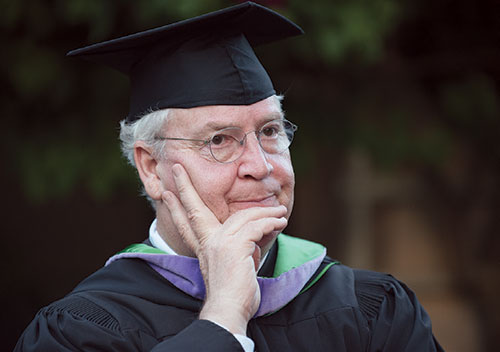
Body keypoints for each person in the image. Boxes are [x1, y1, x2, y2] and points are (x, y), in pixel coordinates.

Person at [15, 2, 443, 351]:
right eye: (220, 140)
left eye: (270, 131)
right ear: (151, 168)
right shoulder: (80, 333)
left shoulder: (372, 311)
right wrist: (222, 320)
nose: (260, 165)